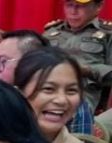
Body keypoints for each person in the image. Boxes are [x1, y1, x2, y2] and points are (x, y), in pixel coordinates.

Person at [44, 0, 112, 129]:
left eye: (80, 6)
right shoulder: (50, 33)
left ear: (98, 6)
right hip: (47, 92)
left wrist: (87, 70)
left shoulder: (108, 34)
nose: (73, 11)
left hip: (82, 98)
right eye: (69, 5)